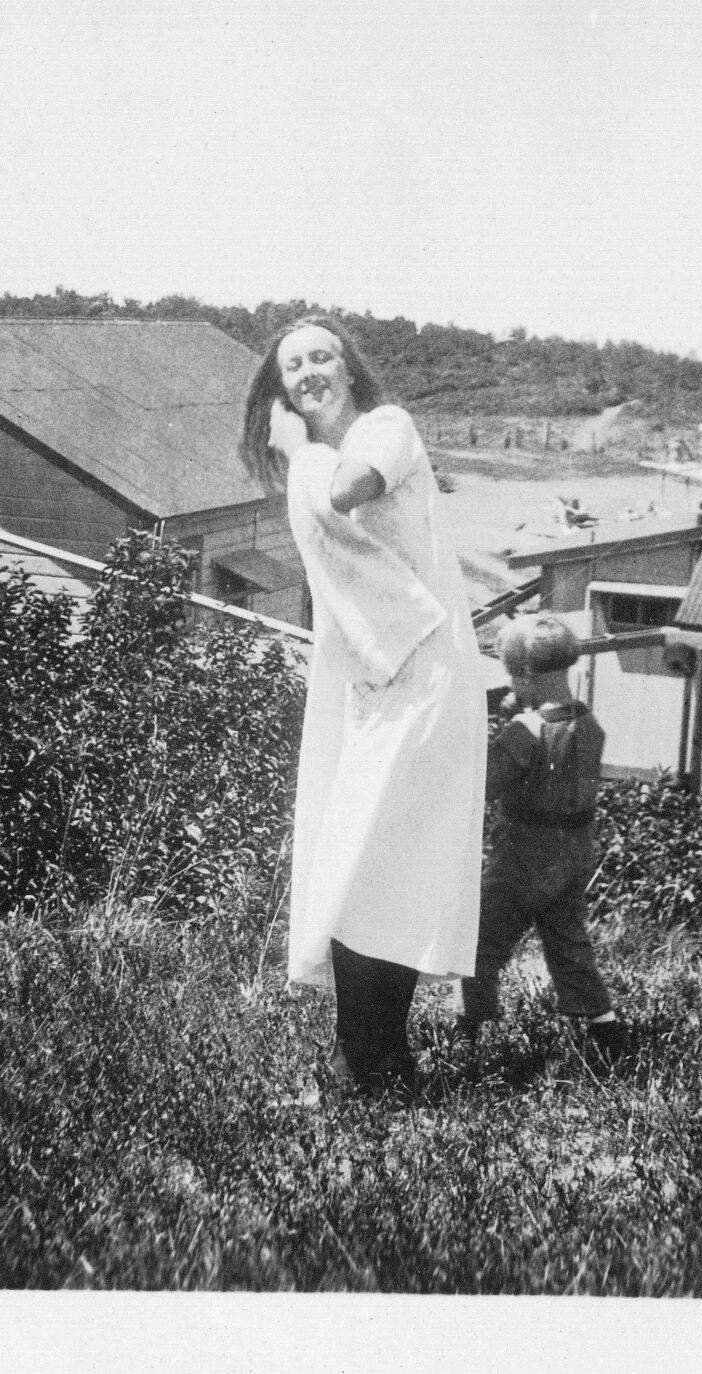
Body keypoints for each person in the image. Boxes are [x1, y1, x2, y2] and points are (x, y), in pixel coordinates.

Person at [240, 313, 486, 1094]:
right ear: (279, 386)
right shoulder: (317, 455)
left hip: (423, 675)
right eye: (293, 364)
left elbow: (347, 492)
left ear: (349, 370)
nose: (309, 371)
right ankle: (374, 1060)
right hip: (369, 681)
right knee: (357, 864)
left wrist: (298, 451)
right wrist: (300, 457)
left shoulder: (385, 428)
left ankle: (365, 1062)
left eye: (322, 357)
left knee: (383, 862)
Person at [453, 613, 627, 1062]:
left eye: (513, 674)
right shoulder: (589, 724)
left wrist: (500, 732)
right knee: (569, 945)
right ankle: (606, 1033)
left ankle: (468, 1032)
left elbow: (485, 784)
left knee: (479, 942)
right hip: (572, 858)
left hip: (522, 858)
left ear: (526, 674)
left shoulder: (525, 731)